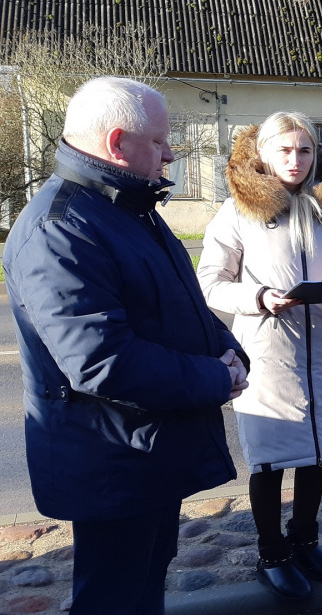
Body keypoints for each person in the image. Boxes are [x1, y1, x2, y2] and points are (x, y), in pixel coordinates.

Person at [2, 77, 247, 614]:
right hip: (113, 459)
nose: (170, 153)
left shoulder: (126, 208)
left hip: (147, 447)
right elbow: (102, 360)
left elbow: (178, 303)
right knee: (114, 598)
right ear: (117, 143)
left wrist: (230, 350)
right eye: (159, 141)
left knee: (143, 586)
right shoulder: (61, 228)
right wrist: (217, 376)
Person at [198, 112, 322, 600]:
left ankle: (305, 540)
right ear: (263, 153)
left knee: (317, 451)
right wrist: (259, 297)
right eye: (284, 150)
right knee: (270, 459)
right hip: (268, 349)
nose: (296, 160)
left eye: (305, 150)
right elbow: (209, 283)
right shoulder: (237, 211)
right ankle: (271, 554)